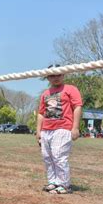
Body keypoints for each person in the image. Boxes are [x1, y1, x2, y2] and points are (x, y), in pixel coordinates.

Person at [36, 64, 83, 194]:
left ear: (63, 75)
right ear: (47, 77)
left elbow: (77, 107)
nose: (55, 78)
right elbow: (41, 113)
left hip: (63, 128)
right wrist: (38, 131)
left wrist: (75, 127)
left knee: (59, 155)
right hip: (46, 129)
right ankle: (53, 182)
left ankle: (64, 184)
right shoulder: (45, 94)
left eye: (58, 74)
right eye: (52, 75)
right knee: (48, 157)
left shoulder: (70, 89)